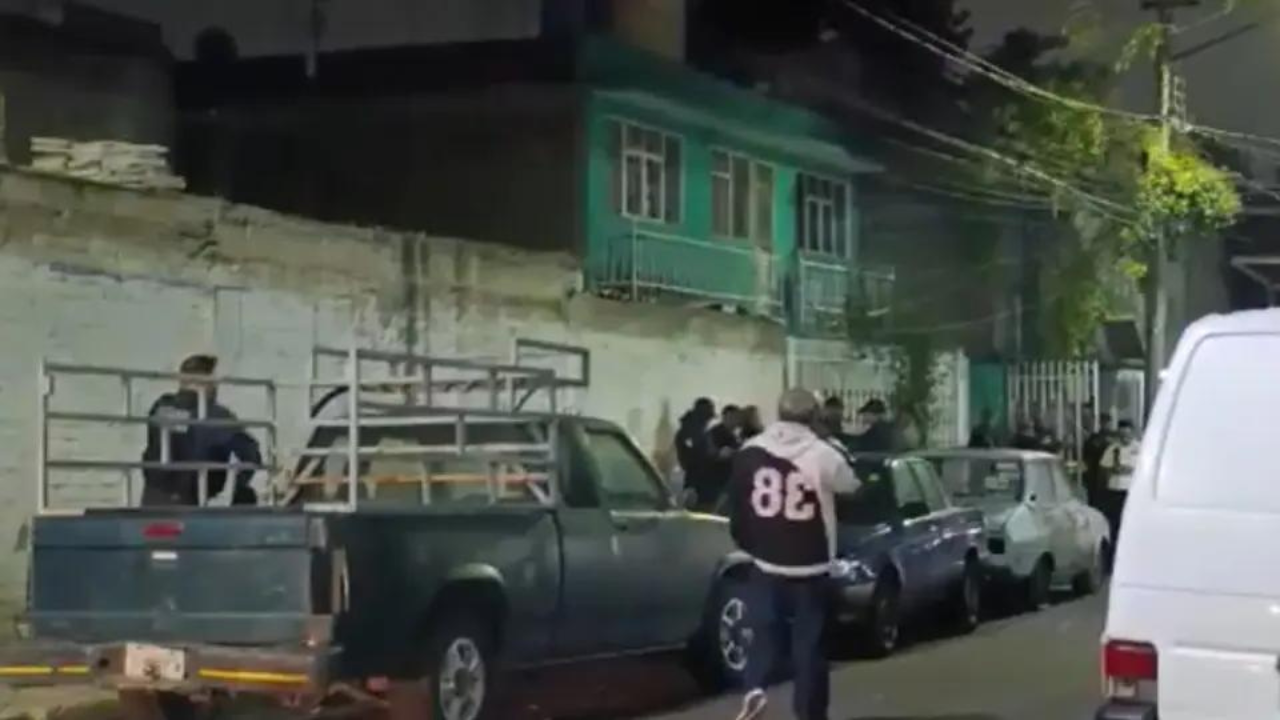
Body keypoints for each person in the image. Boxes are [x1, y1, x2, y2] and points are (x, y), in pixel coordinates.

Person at [727, 389, 860, 720]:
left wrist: (749, 543)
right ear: (814, 416)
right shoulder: (824, 454)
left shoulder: (750, 451)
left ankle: (755, 686)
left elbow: (737, 506)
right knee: (809, 646)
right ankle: (808, 712)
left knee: (763, 631)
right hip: (810, 564)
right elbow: (852, 487)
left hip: (765, 560)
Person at [141, 354, 262, 506]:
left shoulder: (161, 406)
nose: (217, 387)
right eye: (215, 382)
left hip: (150, 503)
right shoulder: (216, 415)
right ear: (206, 381)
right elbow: (251, 455)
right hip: (190, 507)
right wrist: (240, 488)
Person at [1100, 419, 1140, 540]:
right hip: (1115, 490)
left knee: (1131, 519)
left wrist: (1131, 470)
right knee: (1115, 520)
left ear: (1132, 433)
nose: (1124, 438)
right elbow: (1104, 467)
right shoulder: (1112, 449)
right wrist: (1114, 470)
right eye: (1121, 435)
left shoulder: (1140, 448)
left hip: (1131, 491)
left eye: (1127, 435)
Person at [699, 405, 744, 510]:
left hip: (725, 482)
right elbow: (711, 454)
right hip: (716, 482)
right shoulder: (715, 434)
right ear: (726, 417)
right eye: (734, 417)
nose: (737, 421)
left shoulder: (734, 436)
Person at [675, 398, 716, 498]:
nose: (709, 421)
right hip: (696, 482)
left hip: (699, 481)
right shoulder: (691, 432)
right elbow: (696, 457)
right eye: (708, 418)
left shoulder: (696, 431)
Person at [1082, 413, 1115, 509]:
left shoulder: (1114, 438)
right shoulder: (1094, 438)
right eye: (1103, 422)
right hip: (1095, 472)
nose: (1106, 425)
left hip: (1108, 473)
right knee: (1094, 499)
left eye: (1107, 422)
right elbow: (1086, 453)